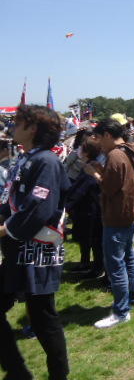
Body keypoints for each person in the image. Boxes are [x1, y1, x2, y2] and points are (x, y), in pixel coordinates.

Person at [0, 105, 70, 380]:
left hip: (38, 250)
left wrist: (4, 229)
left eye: (18, 122)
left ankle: (58, 375)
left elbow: (39, 208)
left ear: (32, 128)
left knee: (43, 318)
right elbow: (12, 200)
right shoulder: (26, 158)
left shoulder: (47, 161)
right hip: (17, 248)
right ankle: (17, 370)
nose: (12, 127)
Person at [88, 119, 134, 329]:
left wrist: (94, 174)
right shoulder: (130, 150)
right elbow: (120, 181)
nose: (98, 142)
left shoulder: (115, 155)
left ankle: (121, 311)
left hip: (117, 216)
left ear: (108, 135)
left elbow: (109, 188)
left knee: (116, 265)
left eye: (99, 137)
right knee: (129, 258)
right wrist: (102, 170)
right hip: (130, 212)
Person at [65, 137, 104, 277]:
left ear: (87, 152)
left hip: (90, 210)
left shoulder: (91, 167)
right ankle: (86, 263)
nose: (79, 150)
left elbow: (82, 189)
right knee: (86, 239)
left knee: (93, 240)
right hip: (85, 209)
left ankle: (97, 268)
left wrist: (66, 206)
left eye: (82, 148)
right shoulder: (87, 165)